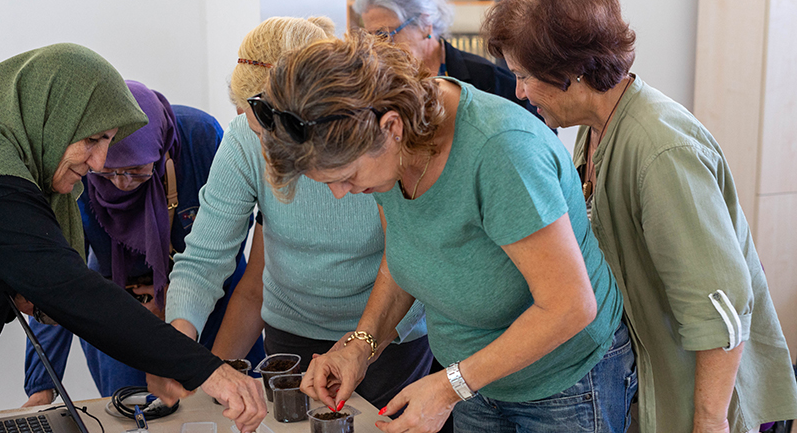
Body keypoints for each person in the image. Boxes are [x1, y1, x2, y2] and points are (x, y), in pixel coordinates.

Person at [258, 31, 635, 433]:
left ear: (391, 127)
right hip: (476, 380)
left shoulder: (501, 151)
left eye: (346, 177)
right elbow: (405, 253)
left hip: (563, 384)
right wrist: (361, 346)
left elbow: (571, 306)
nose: (339, 194)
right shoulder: (390, 150)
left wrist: (449, 387)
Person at [482, 0, 797, 432]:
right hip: (653, 378)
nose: (518, 91)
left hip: (705, 399)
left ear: (571, 72)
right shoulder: (597, 128)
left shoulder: (660, 150)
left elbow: (720, 302)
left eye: (524, 76)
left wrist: (709, 421)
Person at [0, 43, 265, 432]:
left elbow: (49, 285)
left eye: (110, 143)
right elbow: (71, 290)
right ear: (51, 117)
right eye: (91, 140)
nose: (101, 163)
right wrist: (208, 370)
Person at [162, 16, 434, 411]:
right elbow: (204, 258)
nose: (270, 153)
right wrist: (178, 347)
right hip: (290, 334)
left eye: (276, 135)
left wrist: (363, 342)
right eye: (257, 133)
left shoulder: (373, 139)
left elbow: (407, 258)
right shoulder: (243, 141)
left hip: (387, 337)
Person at [22, 80, 264, 406]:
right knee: (134, 412)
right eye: (109, 173)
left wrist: (169, 301)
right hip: (121, 311)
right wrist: (42, 385)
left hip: (215, 296)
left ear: (161, 151)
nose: (122, 184)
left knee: (239, 404)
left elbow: (229, 236)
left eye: (137, 170)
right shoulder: (78, 176)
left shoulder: (199, 137)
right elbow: (57, 282)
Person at [352, 0, 541, 121]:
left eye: (384, 34)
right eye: (371, 37)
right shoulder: (376, 84)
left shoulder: (487, 78)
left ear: (425, 24)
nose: (378, 46)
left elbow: (540, 131)